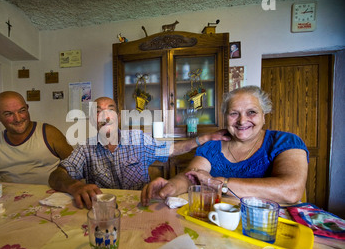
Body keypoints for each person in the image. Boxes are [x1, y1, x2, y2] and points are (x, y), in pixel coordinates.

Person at [49, 96, 231, 209]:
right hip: (103, 210)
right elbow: (57, 175)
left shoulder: (138, 139)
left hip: (140, 206)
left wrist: (205, 139)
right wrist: (74, 186)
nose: (105, 117)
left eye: (110, 111)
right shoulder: (85, 148)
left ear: (118, 118)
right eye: (98, 112)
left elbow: (172, 149)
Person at [141, 86, 309, 206]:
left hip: (264, 226)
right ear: (225, 117)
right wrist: (171, 186)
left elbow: (291, 191)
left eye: (252, 112)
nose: (242, 121)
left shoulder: (285, 142)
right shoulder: (213, 146)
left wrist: (220, 184)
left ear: (263, 116)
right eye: (234, 113)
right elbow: (190, 177)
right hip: (217, 221)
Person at [0, 91, 74, 192]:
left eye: (22, 111)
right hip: (10, 202)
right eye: (9, 114)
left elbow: (76, 164)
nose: (18, 119)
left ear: (27, 108)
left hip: (51, 199)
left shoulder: (49, 133)